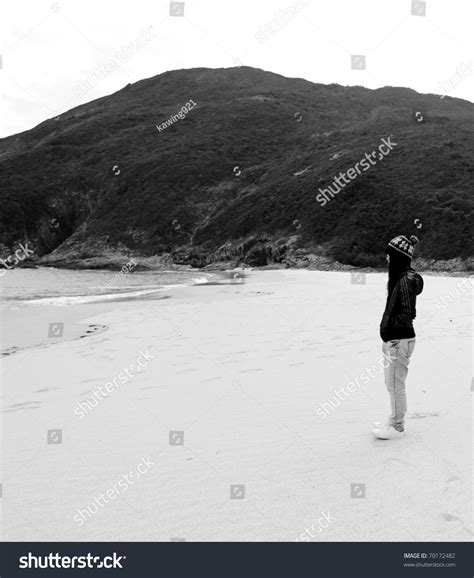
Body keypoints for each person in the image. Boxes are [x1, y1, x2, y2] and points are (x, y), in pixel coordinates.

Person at [372, 235, 424, 440]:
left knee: (395, 384)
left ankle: (397, 426)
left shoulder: (406, 279)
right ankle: (394, 419)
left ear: (397, 257)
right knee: (392, 383)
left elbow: (406, 311)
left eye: (389, 255)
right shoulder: (401, 278)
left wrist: (392, 336)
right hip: (396, 339)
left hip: (398, 340)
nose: (386, 259)